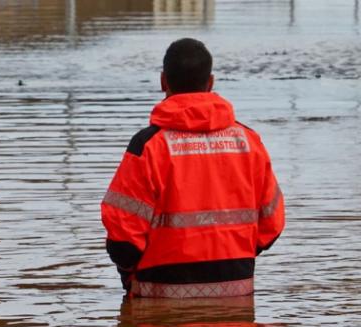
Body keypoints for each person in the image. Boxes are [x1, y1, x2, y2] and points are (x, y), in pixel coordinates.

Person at [101, 38, 285, 298]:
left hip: (160, 296)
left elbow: (123, 238)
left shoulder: (149, 146)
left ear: (163, 81)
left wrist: (130, 271)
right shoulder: (248, 142)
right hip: (235, 294)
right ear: (210, 83)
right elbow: (271, 224)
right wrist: (233, 255)